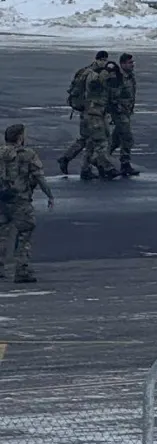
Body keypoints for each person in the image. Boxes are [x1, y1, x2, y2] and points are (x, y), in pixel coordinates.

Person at [1, 124, 55, 284]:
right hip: (20, 200)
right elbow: (39, 176)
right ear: (20, 137)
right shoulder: (27, 154)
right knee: (24, 234)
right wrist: (49, 195)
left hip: (1, 199)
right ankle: (22, 270)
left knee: (2, 234)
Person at [59, 51, 117, 180]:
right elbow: (95, 86)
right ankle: (105, 167)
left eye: (105, 59)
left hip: (87, 111)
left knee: (86, 139)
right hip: (94, 112)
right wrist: (107, 73)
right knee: (101, 140)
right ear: (96, 59)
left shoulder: (85, 71)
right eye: (102, 59)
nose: (104, 61)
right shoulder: (93, 74)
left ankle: (80, 166)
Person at [109, 53, 140, 177]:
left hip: (126, 112)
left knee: (115, 140)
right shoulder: (118, 78)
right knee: (127, 138)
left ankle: (99, 159)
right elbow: (113, 96)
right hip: (119, 112)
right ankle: (125, 164)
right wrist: (118, 109)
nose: (132, 65)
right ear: (122, 64)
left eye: (132, 62)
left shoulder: (130, 77)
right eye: (129, 63)